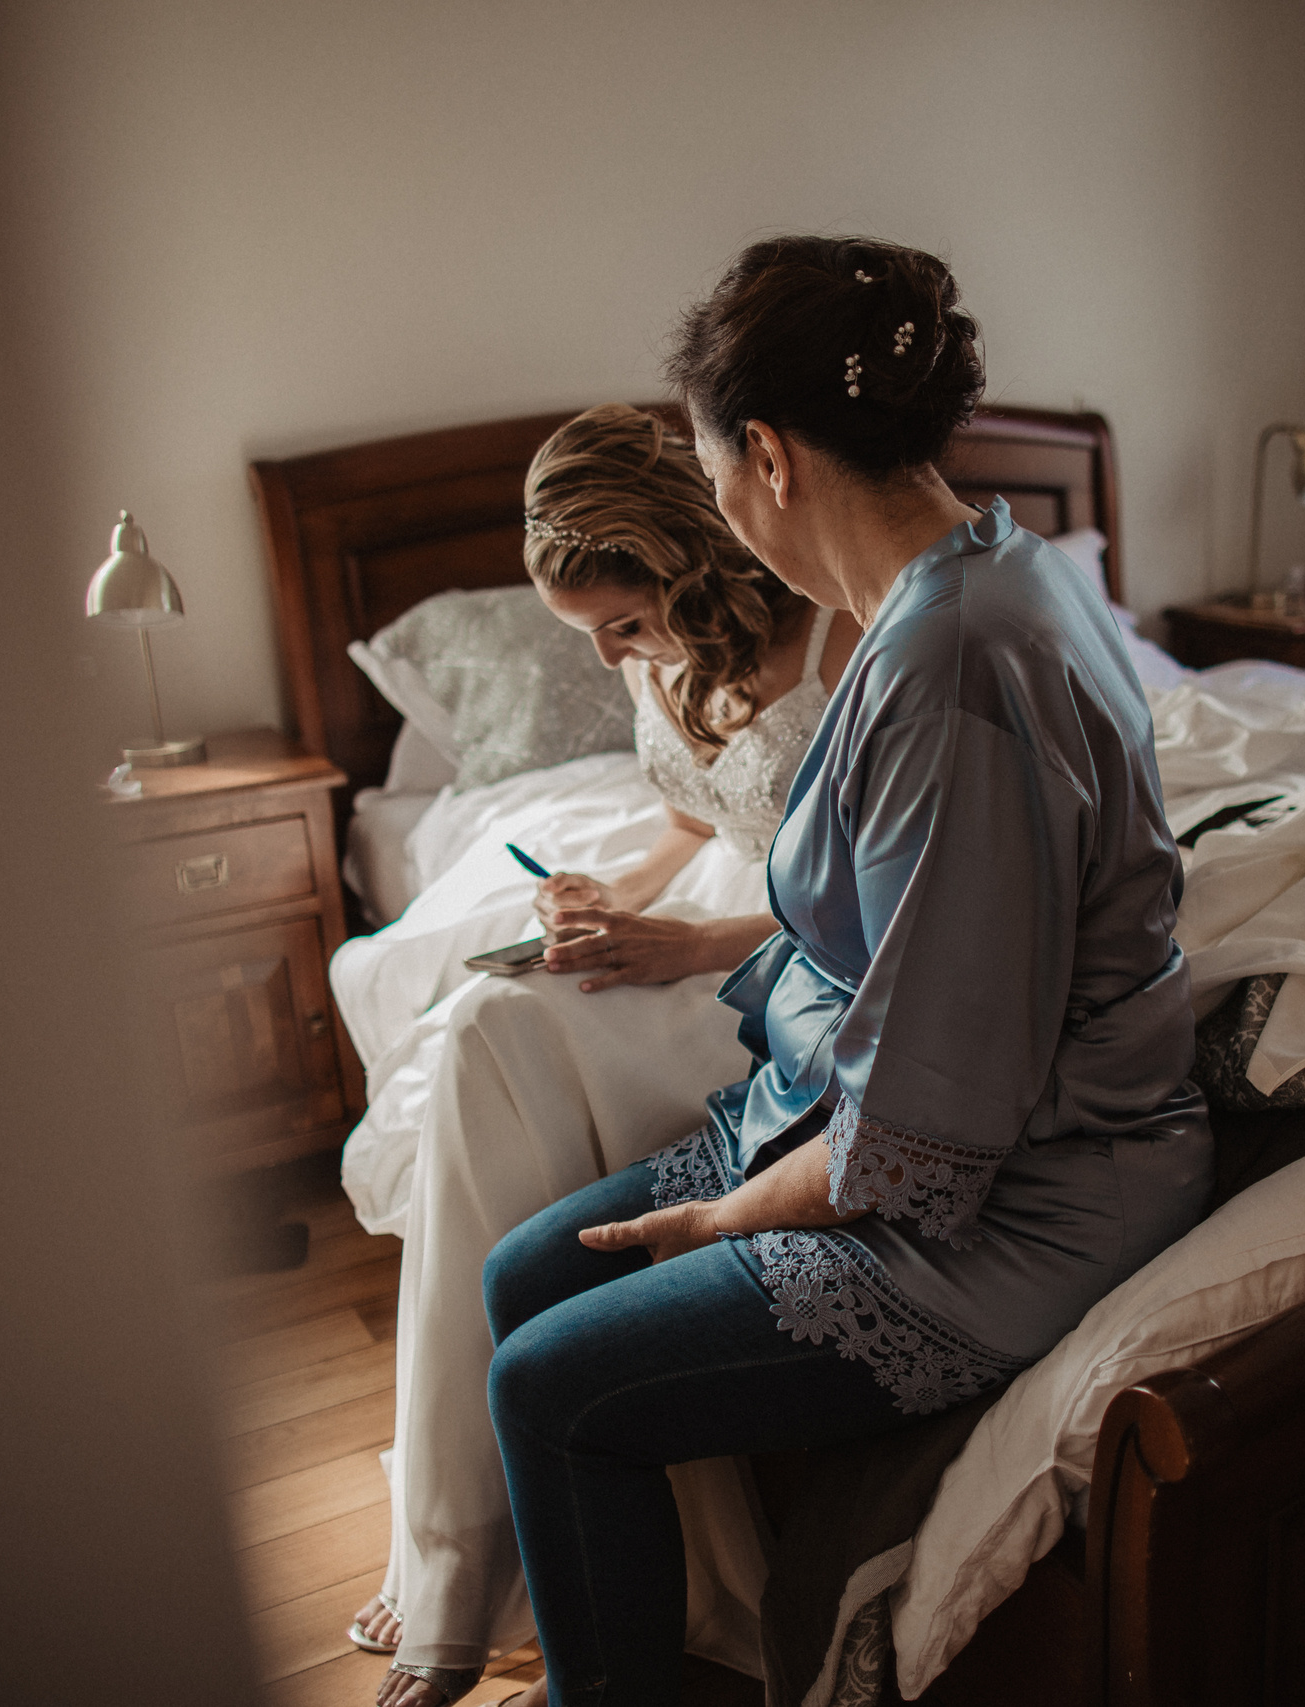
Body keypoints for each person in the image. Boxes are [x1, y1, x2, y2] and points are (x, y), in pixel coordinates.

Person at [394, 237, 1211, 1707]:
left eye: (711, 474)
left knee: (547, 1384)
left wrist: (720, 1218)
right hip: (826, 1106)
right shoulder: (980, 569)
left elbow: (921, 1140)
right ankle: (632, 1636)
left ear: (765, 453)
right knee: (522, 1278)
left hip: (994, 1215)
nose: (718, 507)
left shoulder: (954, 669)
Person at [337, 403, 860, 1698]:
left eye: (626, 622)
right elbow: (698, 810)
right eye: (595, 639)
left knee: (500, 1038)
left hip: (792, 969)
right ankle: (462, 1561)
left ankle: (473, 1568)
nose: (619, 653)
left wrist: (679, 948)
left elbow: (865, 896)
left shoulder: (847, 632)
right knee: (487, 1030)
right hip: (702, 928)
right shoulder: (650, 656)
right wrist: (613, 893)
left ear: (695, 557)